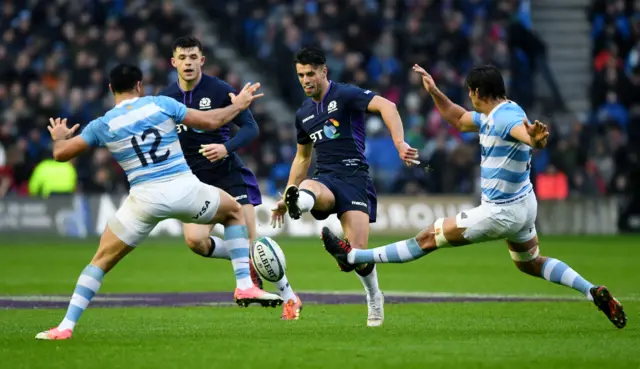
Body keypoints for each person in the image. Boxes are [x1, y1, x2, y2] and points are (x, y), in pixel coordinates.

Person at [321, 64, 627, 329]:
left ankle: (353, 256)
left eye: (470, 92)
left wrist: (535, 138)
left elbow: (527, 136)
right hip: (523, 205)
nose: (469, 97)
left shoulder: (507, 119)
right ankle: (593, 291)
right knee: (530, 263)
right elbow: (457, 118)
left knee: (427, 238)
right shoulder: (494, 114)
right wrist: (434, 91)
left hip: (499, 213)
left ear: (478, 91)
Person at [35, 64, 280, 340]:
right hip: (184, 190)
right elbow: (212, 122)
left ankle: (66, 326)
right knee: (234, 211)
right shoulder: (161, 104)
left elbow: (61, 154)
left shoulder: (102, 125)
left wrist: (59, 138)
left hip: (143, 201)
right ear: (139, 85)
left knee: (100, 260)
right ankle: (244, 284)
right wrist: (240, 105)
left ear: (110, 89)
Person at [271, 46, 419, 327]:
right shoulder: (303, 113)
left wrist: (399, 142)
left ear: (324, 71)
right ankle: (297, 202)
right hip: (324, 178)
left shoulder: (346, 94)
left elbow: (388, 106)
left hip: (354, 178)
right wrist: (287, 193)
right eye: (301, 75)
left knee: (358, 255)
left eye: (310, 74)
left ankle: (374, 296)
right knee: (310, 190)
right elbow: (303, 157)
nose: (305, 80)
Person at [159, 36, 301, 319]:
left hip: (228, 175)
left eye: (193, 57)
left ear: (202, 60)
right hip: (194, 182)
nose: (188, 62)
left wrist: (226, 147)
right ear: (174, 62)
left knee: (254, 243)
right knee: (196, 242)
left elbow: (251, 128)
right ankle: (246, 260)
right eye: (182, 58)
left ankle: (289, 296)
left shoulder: (220, 90)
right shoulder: (165, 99)